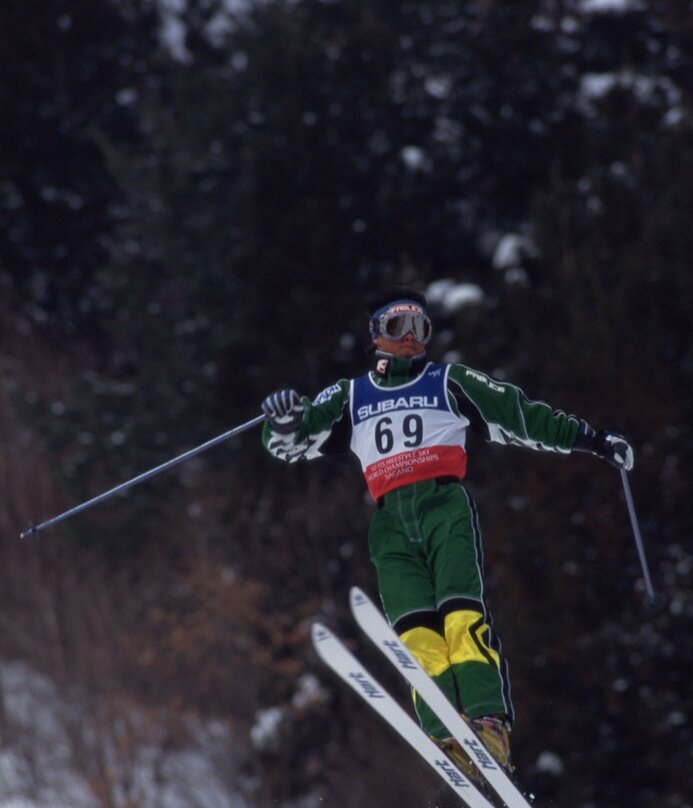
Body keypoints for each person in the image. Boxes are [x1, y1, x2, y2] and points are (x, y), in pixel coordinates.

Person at [261, 287, 633, 779]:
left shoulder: (448, 381)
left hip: (443, 507)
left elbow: (521, 416)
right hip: (391, 522)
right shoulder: (350, 396)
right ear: (377, 336)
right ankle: (446, 728)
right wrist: (283, 423)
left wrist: (593, 440)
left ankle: (486, 723)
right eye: (399, 326)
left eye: (421, 327)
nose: (412, 337)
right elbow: (291, 444)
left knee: (460, 617)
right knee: (417, 635)